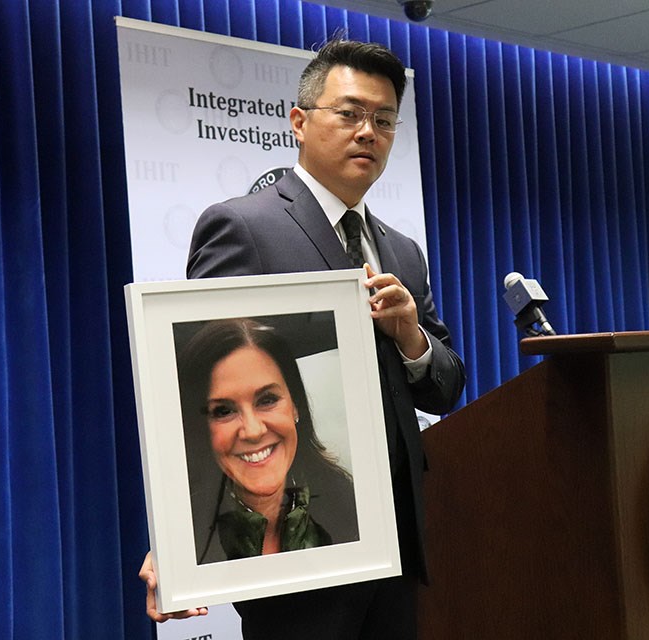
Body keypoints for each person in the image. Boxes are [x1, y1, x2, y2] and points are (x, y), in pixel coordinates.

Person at [141, 37, 466, 637]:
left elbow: (444, 389)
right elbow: (198, 381)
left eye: (384, 120)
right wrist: (181, 536)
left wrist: (411, 335)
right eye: (350, 113)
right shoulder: (244, 226)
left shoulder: (402, 251)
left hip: (396, 542)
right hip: (297, 550)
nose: (368, 131)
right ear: (299, 120)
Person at [177, 317, 358, 564]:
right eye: (223, 411)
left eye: (267, 400)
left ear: (296, 406)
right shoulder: (184, 538)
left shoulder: (352, 510)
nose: (252, 431)